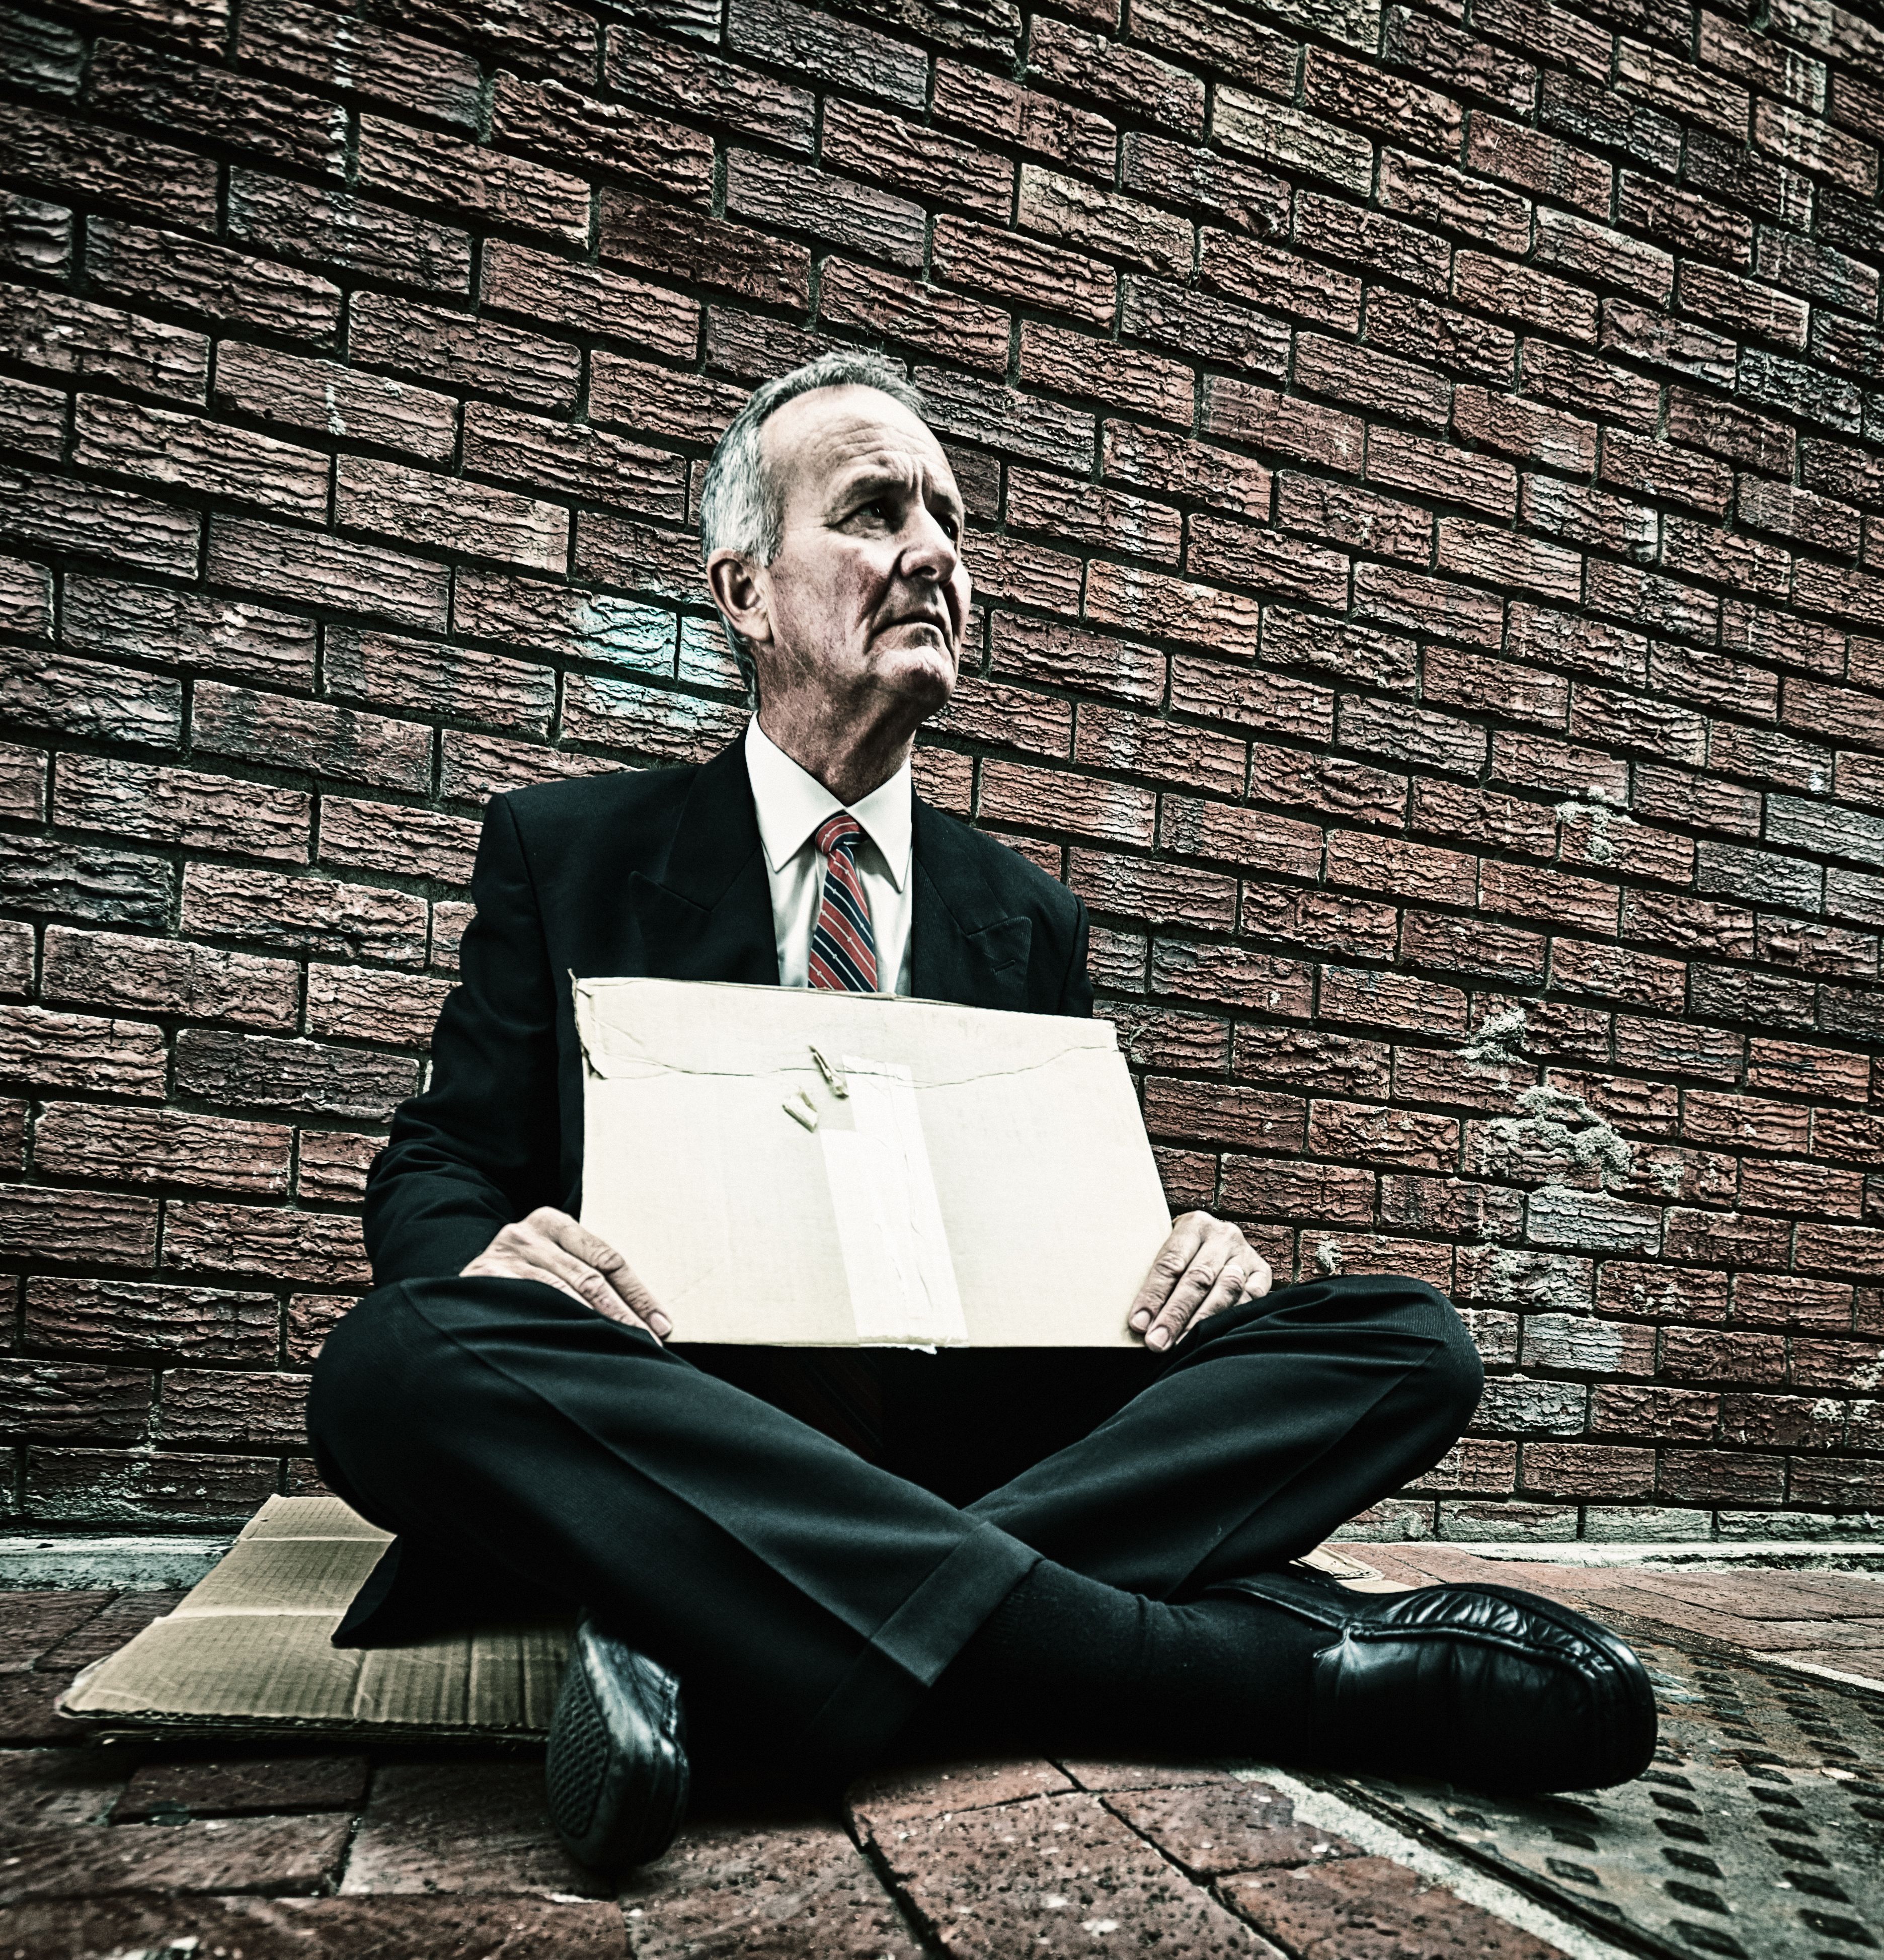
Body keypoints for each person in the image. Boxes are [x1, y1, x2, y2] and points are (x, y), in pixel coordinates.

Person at [308, 353, 1655, 1874]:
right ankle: (1260, 1669)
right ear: (745, 590)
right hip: (686, 1420)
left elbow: (1058, 1232)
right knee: (396, 1360)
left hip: (965, 1443)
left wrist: (1184, 1251)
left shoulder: (1027, 920)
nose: (934, 551)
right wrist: (492, 1248)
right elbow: (439, 1161)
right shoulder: (570, 851)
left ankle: (735, 1635)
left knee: (1407, 1343)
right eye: (875, 510)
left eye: (947, 517)